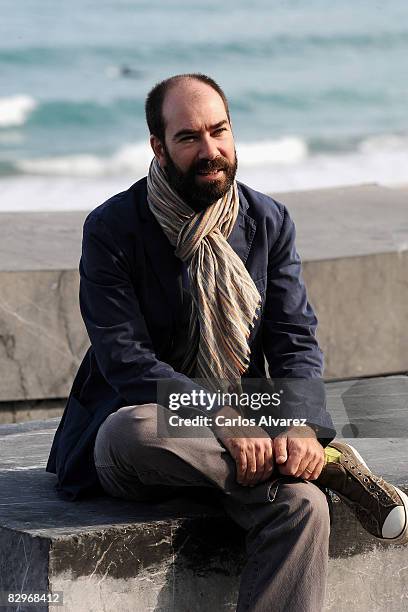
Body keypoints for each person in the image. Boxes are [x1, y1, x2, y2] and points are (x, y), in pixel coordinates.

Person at [46, 73, 408, 612]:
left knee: (305, 506)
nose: (210, 150)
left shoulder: (268, 221)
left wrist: (298, 425)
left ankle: (304, 465)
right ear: (159, 148)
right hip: (149, 434)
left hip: (250, 434)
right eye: (189, 137)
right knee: (133, 428)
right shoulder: (112, 228)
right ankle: (326, 464)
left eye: (219, 131)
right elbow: (123, 358)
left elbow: (293, 338)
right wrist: (222, 417)